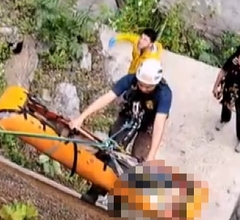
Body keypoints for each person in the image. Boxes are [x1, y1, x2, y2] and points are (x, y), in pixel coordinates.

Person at [70, 58, 172, 206]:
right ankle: (96, 190)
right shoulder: (130, 80)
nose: (143, 89)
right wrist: (81, 118)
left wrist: (151, 155)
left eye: (148, 87)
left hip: (149, 125)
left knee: (140, 162)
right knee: (111, 150)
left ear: (156, 84)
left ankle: (128, 200)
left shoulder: (164, 94)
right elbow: (107, 98)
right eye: (141, 84)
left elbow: (159, 123)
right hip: (130, 114)